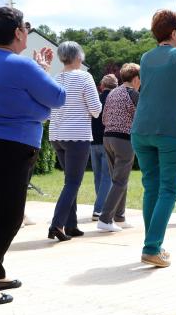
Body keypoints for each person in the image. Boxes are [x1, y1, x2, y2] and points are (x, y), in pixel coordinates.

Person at [0, 7, 64, 305]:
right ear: (18, 32)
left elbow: (13, 104)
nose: (27, 33)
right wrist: (42, 74)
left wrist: (37, 108)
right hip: (6, 150)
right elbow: (57, 98)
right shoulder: (22, 66)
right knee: (8, 219)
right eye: (26, 29)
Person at [132, 10, 176, 267]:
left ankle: (154, 245)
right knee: (169, 189)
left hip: (141, 128)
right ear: (173, 33)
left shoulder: (146, 57)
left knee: (152, 187)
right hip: (170, 129)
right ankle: (151, 247)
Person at [48, 41, 102, 242]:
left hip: (56, 134)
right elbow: (96, 109)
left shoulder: (55, 78)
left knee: (69, 181)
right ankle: (57, 224)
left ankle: (71, 224)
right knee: (73, 181)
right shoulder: (84, 77)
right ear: (78, 56)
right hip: (77, 135)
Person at [97, 63, 141, 232]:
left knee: (119, 179)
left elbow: (104, 117)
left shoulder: (113, 92)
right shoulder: (134, 94)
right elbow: (140, 118)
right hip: (124, 139)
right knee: (120, 180)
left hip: (107, 137)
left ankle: (119, 216)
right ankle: (105, 219)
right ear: (136, 78)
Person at [90, 74, 118, 221]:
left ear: (102, 86)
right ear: (116, 85)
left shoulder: (96, 99)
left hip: (92, 142)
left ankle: (99, 204)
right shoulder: (114, 100)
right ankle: (99, 209)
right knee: (107, 177)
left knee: (98, 177)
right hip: (106, 141)